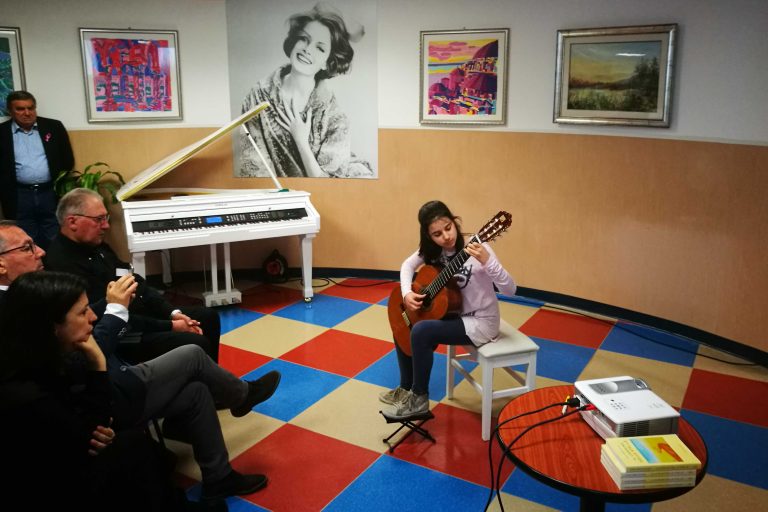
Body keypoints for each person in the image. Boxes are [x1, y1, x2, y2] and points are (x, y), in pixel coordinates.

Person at [0, 271, 226, 511]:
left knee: (194, 391)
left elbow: (92, 426)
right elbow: (88, 436)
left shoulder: (37, 357)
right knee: (136, 446)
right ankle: (240, 395)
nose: (93, 316)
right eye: (82, 312)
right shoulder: (27, 395)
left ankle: (214, 479)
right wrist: (98, 362)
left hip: (85, 427)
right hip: (58, 482)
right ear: (52, 327)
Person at [44, 187, 221, 364]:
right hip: (121, 332)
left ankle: (210, 376)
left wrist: (172, 313)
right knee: (195, 342)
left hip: (139, 315)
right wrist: (172, 326)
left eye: (106, 218)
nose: (106, 226)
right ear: (72, 222)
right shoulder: (61, 264)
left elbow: (134, 280)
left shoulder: (97, 246)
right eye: (98, 219)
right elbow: (103, 316)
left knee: (207, 317)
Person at [380, 200, 517, 421]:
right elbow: (407, 265)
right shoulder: (434, 251)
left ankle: (419, 399)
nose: (446, 237)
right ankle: (405, 388)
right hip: (454, 315)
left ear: (455, 222)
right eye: (437, 234)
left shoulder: (478, 248)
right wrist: (406, 294)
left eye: (448, 228)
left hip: (482, 322)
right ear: (428, 236)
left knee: (421, 331)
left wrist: (487, 261)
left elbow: (510, 289)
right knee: (403, 323)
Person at [239, 3, 372, 178]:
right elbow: (254, 167)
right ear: (294, 42)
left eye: (320, 48)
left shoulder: (336, 118)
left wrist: (301, 140)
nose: (307, 49)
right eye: (304, 39)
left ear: (327, 62)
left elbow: (329, 185)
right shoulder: (258, 95)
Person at [0, 91, 75, 249]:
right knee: (24, 238)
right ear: (10, 111)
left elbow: (67, 160)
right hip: (19, 195)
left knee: (54, 234)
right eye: (20, 109)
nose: (27, 113)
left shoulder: (53, 127)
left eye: (31, 108)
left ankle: (54, 264)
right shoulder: (2, 132)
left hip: (49, 192)